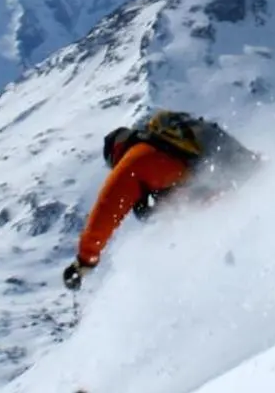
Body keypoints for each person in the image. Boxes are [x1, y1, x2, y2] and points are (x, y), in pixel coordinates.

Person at [62, 109, 261, 290]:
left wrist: (84, 260)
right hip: (228, 181)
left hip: (217, 192)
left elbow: (107, 208)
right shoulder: (167, 148)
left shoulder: (134, 161)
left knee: (147, 208)